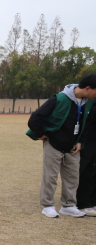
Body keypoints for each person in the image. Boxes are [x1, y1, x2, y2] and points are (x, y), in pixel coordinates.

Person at [27, 73, 96, 218]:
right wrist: (40, 134)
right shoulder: (60, 98)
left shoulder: (88, 103)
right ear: (88, 88)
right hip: (54, 144)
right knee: (50, 177)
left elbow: (85, 124)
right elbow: (36, 117)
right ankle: (47, 205)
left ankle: (69, 206)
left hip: (73, 147)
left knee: (72, 177)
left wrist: (80, 141)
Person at [75, 74, 96, 216]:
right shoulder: (91, 101)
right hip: (88, 140)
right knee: (87, 170)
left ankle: (93, 201)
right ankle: (83, 203)